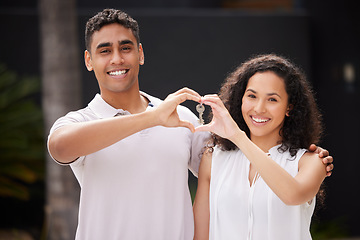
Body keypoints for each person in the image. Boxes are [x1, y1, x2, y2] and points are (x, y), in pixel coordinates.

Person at [47, 9, 333, 240]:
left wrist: (302, 158)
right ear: (88, 60)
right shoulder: (81, 121)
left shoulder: (182, 118)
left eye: (125, 48)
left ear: (141, 54)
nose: (117, 59)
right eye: (104, 50)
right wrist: (151, 118)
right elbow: (59, 147)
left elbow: (223, 162)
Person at [193, 53, 331, 240]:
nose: (259, 108)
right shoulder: (213, 159)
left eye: (272, 99)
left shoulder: (311, 161)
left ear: (289, 107)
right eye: (251, 96)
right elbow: (200, 235)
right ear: (240, 99)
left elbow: (293, 195)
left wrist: (238, 137)